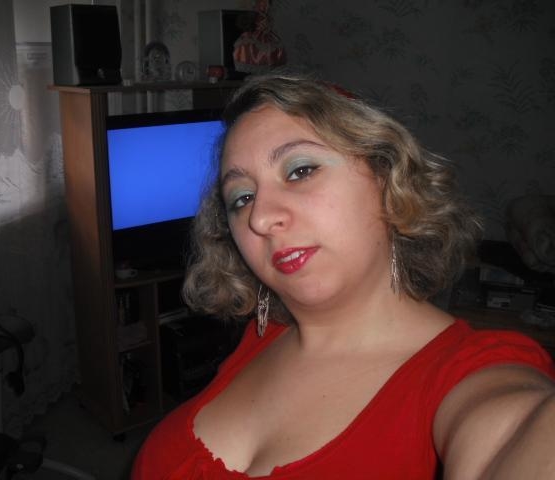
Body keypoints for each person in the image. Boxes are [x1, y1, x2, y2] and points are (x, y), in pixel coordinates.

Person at [131, 72, 555, 479]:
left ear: (387, 178)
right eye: (242, 197)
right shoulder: (263, 335)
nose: (260, 218)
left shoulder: (473, 374)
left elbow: (516, 436)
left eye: (300, 170)